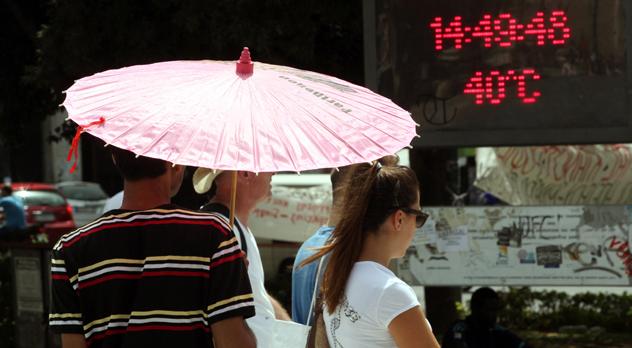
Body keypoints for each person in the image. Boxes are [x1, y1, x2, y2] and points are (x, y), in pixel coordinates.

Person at [49, 146, 256, 348]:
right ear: (174, 164)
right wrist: (235, 281)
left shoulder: (69, 249)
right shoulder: (213, 235)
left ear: (114, 158)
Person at [303, 161, 439, 348]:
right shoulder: (390, 292)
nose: (416, 228)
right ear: (399, 219)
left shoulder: (338, 277)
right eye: (418, 217)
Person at [193, 168, 292, 346]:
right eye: (266, 166)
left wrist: (290, 328)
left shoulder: (234, 227)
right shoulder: (218, 228)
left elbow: (256, 292)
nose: (274, 173)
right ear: (245, 173)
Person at [442, 287, 529, 348]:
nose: (494, 315)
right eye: (490, 310)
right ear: (475, 309)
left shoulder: (497, 331)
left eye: (496, 310)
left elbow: (520, 345)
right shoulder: (459, 330)